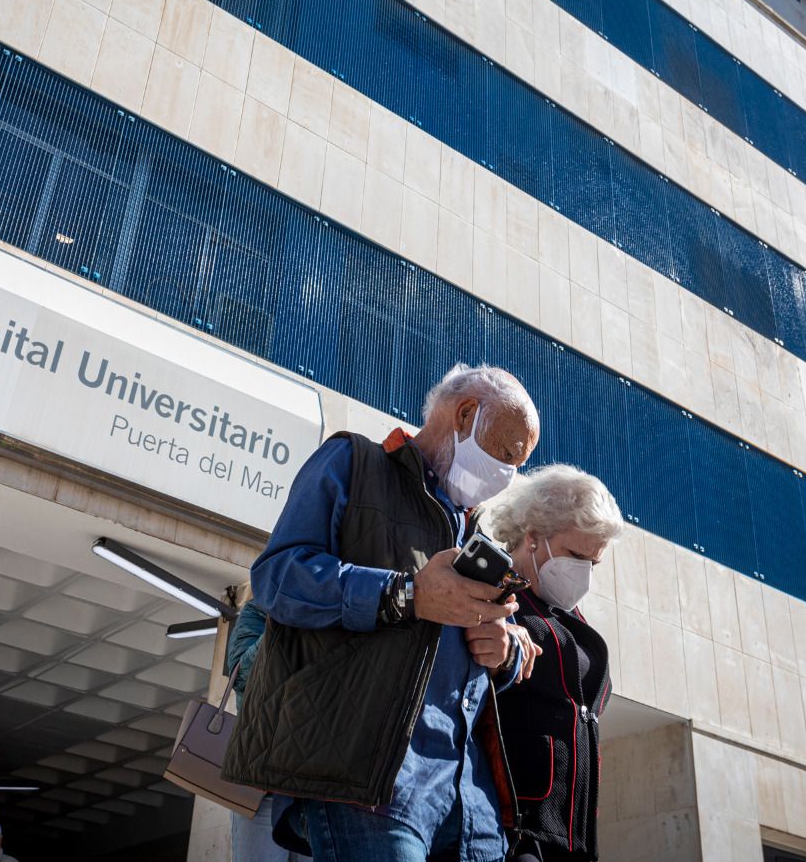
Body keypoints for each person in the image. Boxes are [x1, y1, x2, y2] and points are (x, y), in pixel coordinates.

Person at [224, 363, 545, 862]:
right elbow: (278, 577)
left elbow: (470, 662)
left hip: (469, 804)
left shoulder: (472, 531)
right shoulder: (352, 463)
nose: (508, 475)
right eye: (507, 454)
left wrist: (502, 653)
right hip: (373, 786)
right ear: (464, 415)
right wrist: (406, 595)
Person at [485, 466, 625, 861]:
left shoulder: (569, 616)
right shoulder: (492, 592)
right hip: (511, 830)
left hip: (571, 837)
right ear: (533, 536)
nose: (584, 574)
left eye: (593, 563)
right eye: (577, 556)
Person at [224, 599, 302, 862]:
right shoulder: (258, 609)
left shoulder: (330, 613)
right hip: (261, 783)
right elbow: (243, 677)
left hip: (312, 787)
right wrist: (283, 621)